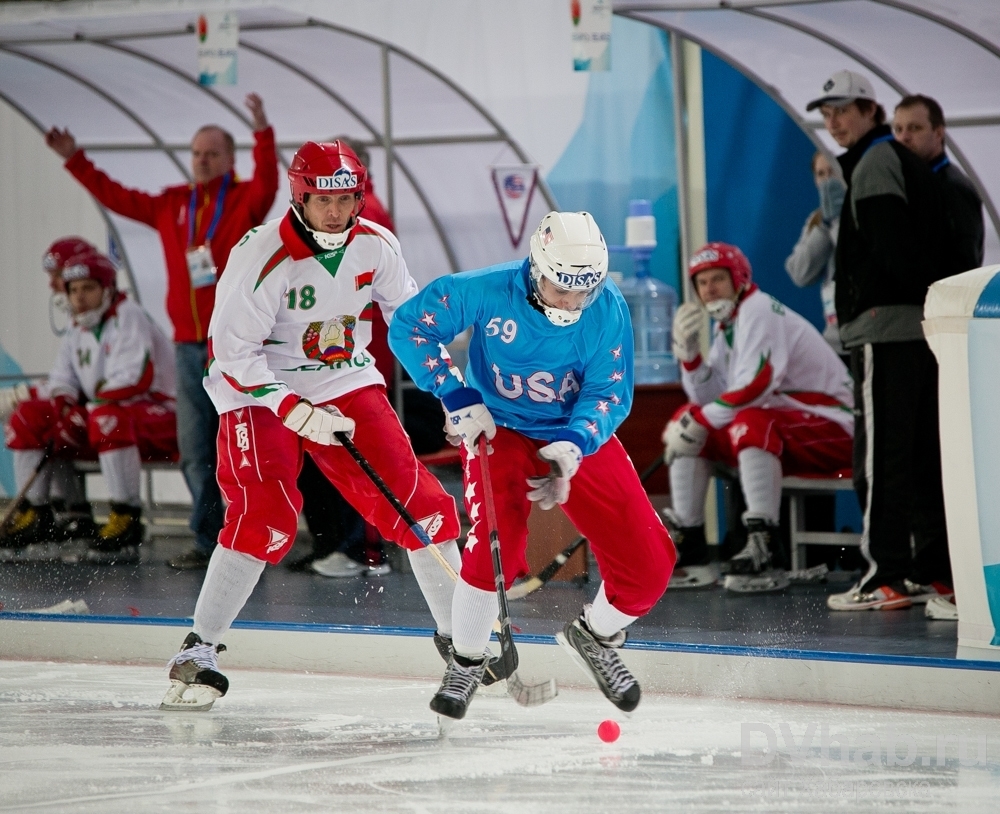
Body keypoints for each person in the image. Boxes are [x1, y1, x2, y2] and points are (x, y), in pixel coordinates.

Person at [160, 140, 466, 711]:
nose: (336, 211)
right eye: (323, 198)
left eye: (347, 198)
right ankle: (199, 649)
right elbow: (231, 354)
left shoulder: (376, 245)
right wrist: (295, 411)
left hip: (344, 378)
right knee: (265, 514)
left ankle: (461, 644)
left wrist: (455, 395)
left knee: (419, 503)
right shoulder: (260, 254)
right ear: (299, 196)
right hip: (258, 388)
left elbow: (412, 325)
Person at [389, 211, 676, 720]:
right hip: (499, 429)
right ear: (536, 267)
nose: (569, 304)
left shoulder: (607, 308)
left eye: (581, 293)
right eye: (559, 289)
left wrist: (574, 443)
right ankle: (468, 660)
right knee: (495, 543)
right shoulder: (484, 289)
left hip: (573, 433)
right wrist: (455, 395)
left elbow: (609, 390)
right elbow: (410, 327)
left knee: (651, 562)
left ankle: (595, 636)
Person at [45, 93, 279, 571]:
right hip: (188, 346)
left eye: (212, 153)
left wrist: (262, 132)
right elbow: (118, 197)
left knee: (246, 449)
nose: (202, 160)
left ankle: (253, 539)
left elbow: (270, 183)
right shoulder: (174, 204)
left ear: (230, 159)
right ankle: (209, 541)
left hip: (235, 346)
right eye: (196, 153)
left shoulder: (243, 201)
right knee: (196, 453)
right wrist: (75, 159)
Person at [806, 70, 953, 611]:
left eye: (843, 109)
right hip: (905, 327)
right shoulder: (892, 162)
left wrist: (872, 301)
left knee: (881, 457)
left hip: (885, 329)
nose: (834, 122)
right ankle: (926, 571)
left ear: (871, 111)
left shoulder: (875, 163)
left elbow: (895, 248)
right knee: (914, 456)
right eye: (826, 114)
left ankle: (884, 575)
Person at [665, 242, 854, 593]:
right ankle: (689, 545)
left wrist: (702, 422)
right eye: (702, 283)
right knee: (688, 417)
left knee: (745, 420)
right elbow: (714, 399)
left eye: (718, 279)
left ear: (739, 279)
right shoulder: (729, 325)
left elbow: (756, 385)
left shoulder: (759, 310)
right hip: (792, 426)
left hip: (835, 428)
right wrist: (689, 356)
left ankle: (764, 545)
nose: (709, 290)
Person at [3, 251, 177, 563]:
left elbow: (135, 379)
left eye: (88, 288)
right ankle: (37, 514)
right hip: (107, 414)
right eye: (73, 290)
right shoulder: (77, 326)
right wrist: (64, 406)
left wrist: (82, 410)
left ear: (107, 288)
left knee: (107, 417)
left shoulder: (129, 314)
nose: (79, 297)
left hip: (159, 413)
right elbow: (62, 379)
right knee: (31, 417)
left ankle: (127, 516)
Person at [288, 135, 397, 579]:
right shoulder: (314, 220)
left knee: (358, 452)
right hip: (316, 356)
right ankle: (329, 543)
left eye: (343, 192)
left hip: (356, 356)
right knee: (315, 449)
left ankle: (361, 548)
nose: (333, 209)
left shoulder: (370, 223)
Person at [892, 94, 985, 274]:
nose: (904, 137)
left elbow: (964, 262)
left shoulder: (952, 186)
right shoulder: (916, 183)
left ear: (938, 133)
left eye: (914, 128)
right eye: (898, 129)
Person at [784, 152, 846, 354]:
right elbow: (800, 274)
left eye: (833, 172)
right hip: (833, 338)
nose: (828, 180)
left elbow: (856, 260)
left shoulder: (865, 213)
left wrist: (838, 222)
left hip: (865, 334)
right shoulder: (816, 220)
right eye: (821, 174)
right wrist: (824, 225)